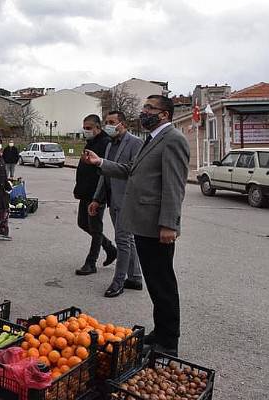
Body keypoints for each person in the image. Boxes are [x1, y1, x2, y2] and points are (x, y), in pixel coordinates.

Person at [82, 95, 190, 356]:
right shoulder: (151, 140)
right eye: (144, 107)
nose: (143, 112)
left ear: (164, 114)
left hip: (157, 227)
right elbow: (130, 169)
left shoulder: (173, 140)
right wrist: (101, 163)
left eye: (148, 108)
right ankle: (160, 332)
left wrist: (169, 225)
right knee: (154, 282)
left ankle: (168, 342)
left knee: (162, 283)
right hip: (143, 224)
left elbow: (174, 186)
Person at [89, 111, 144, 298]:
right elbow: (105, 173)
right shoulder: (110, 145)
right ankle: (135, 277)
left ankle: (118, 282)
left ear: (123, 124)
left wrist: (101, 162)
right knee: (128, 240)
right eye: (106, 122)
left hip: (128, 199)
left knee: (122, 241)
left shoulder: (136, 143)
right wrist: (97, 199)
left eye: (112, 122)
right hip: (112, 199)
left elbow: (131, 171)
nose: (108, 126)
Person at [74, 114, 117, 276]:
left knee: (95, 227)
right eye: (84, 128)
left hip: (96, 194)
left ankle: (91, 262)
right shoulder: (91, 142)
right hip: (85, 192)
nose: (86, 131)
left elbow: (104, 171)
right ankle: (110, 248)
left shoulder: (105, 143)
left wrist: (98, 198)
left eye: (89, 128)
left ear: (98, 128)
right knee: (83, 223)